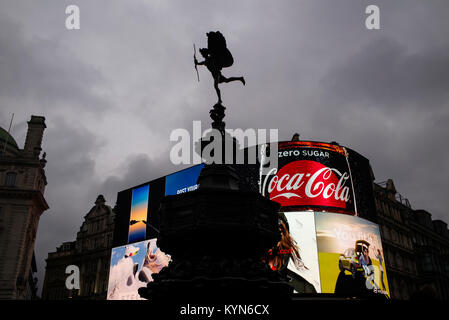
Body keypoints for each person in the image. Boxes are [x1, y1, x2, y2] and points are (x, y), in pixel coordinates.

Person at [195, 31, 245, 104]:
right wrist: (196, 62)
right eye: (203, 55)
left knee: (215, 86)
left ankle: (220, 100)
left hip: (217, 75)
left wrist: (197, 63)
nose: (203, 56)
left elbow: (203, 62)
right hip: (217, 75)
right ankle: (240, 78)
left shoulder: (210, 59)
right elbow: (201, 63)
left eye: (203, 54)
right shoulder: (207, 60)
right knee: (227, 80)